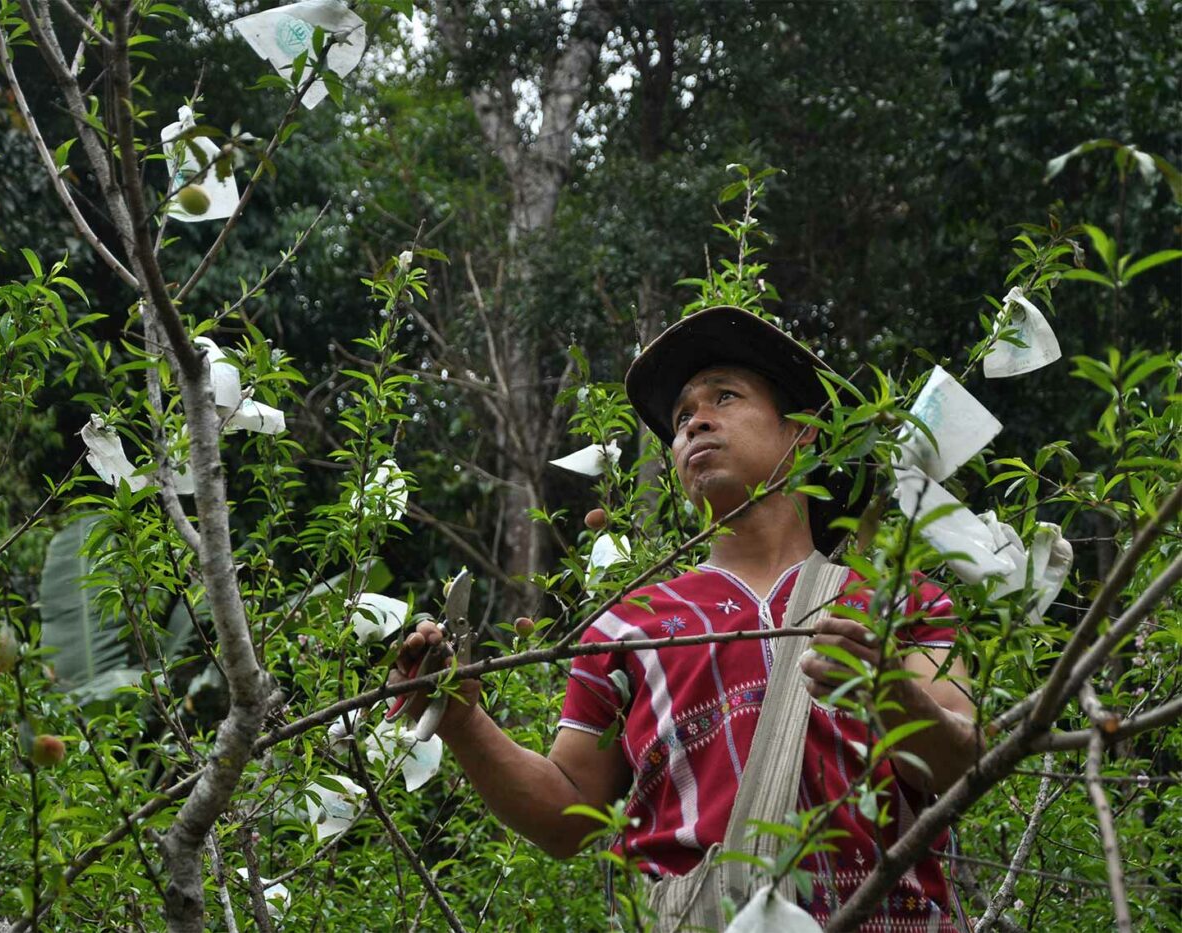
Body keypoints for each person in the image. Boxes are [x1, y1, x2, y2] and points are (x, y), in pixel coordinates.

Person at [391, 306, 981, 931]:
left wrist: (891, 697)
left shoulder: (899, 601)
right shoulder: (625, 627)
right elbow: (567, 815)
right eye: (680, 419)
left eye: (725, 396)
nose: (696, 421)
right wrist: (460, 721)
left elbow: (967, 764)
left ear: (803, 431)